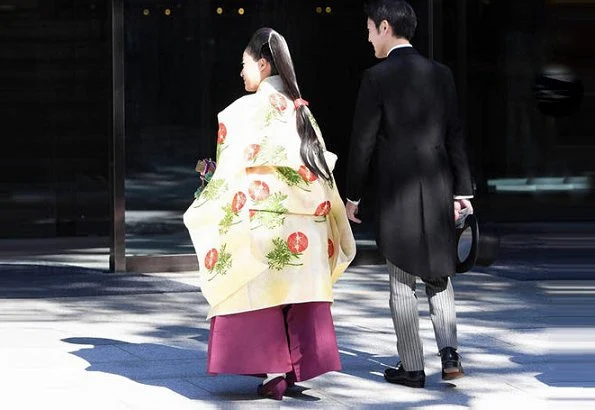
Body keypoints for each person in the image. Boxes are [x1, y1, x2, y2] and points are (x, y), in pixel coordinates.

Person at [183, 27, 356, 400]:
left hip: (264, 219)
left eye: (244, 65)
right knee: (298, 293)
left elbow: (232, 174)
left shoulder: (240, 111)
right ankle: (296, 365)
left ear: (262, 65)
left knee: (259, 293)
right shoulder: (302, 110)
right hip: (307, 222)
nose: (241, 73)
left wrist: (210, 188)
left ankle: (275, 369)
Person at [345, 0, 474, 388]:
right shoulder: (441, 74)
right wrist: (463, 190)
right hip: (438, 187)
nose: (367, 37)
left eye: (369, 29)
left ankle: (413, 367)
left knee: (401, 278)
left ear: (385, 27)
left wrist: (352, 195)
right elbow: (455, 135)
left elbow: (362, 142)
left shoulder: (376, 77)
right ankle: (450, 355)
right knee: (439, 273)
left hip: (397, 192)